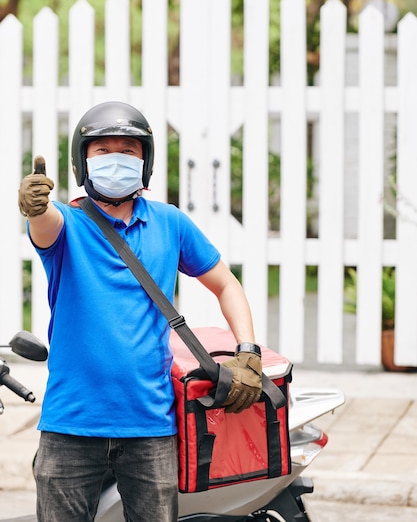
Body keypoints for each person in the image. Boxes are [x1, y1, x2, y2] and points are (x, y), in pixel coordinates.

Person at [18, 100, 263, 522]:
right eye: (103, 150)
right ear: (83, 161)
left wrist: (248, 350)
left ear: (145, 162)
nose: (116, 159)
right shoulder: (66, 223)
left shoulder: (170, 223)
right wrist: (36, 209)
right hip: (70, 424)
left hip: (150, 425)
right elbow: (44, 227)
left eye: (128, 151)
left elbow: (226, 284)